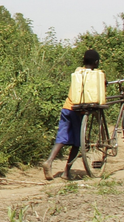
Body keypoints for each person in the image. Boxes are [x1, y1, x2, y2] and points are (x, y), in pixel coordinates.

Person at [44, 49, 104, 180]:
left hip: (67, 108)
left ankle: (49, 161)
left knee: (61, 137)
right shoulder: (94, 75)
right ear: (96, 62)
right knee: (77, 143)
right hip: (79, 111)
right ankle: (66, 172)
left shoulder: (78, 72)